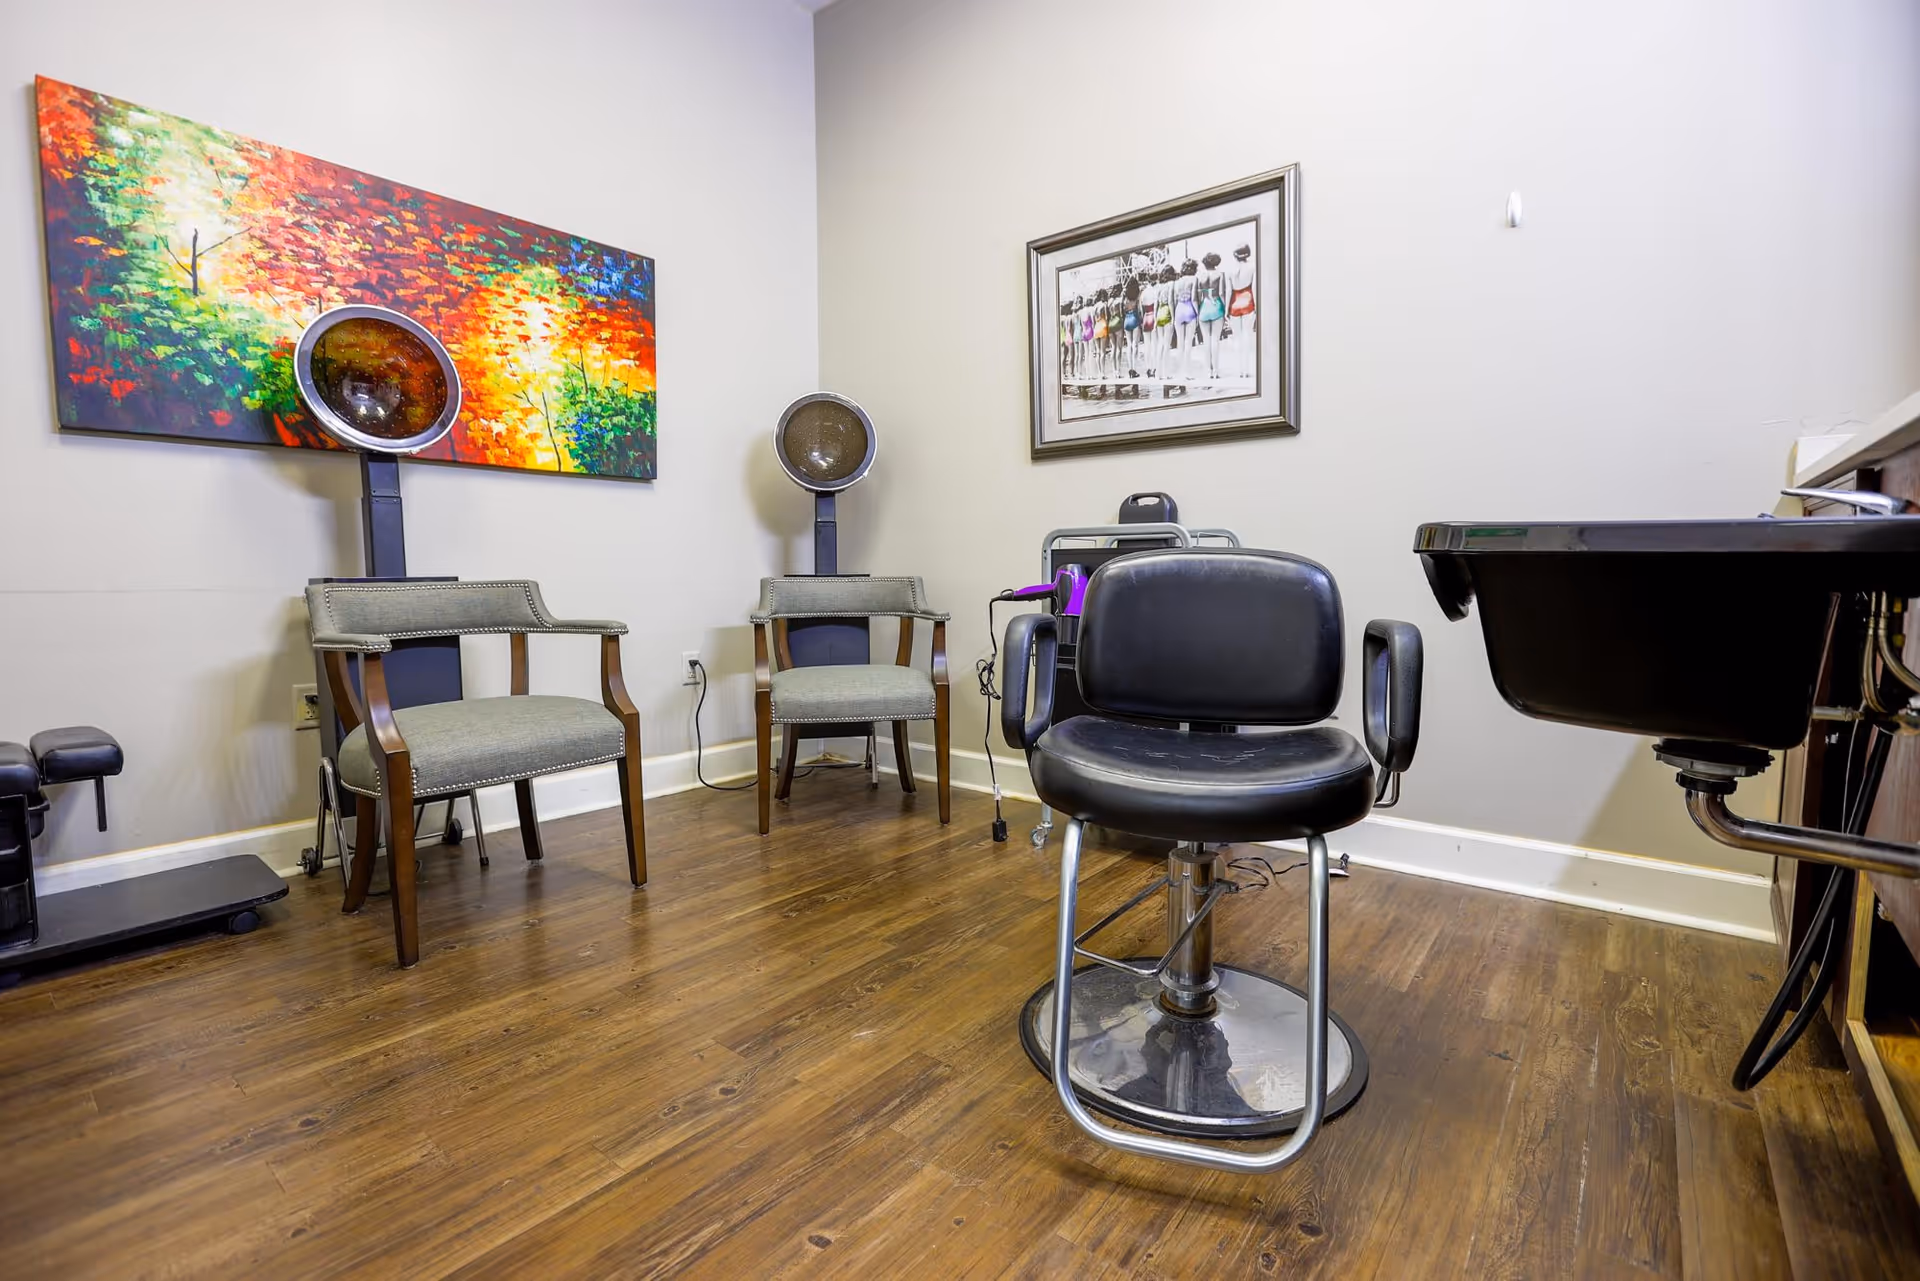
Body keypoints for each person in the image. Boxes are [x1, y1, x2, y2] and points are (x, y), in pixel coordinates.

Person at [1196, 251, 1228, 383]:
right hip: (1216, 306)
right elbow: (1221, 293)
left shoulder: (1199, 276)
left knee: (1206, 341)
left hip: (1204, 307)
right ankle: (1216, 371)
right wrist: (1226, 309)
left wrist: (1198, 311)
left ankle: (1208, 371)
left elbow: (1198, 296)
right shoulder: (1220, 274)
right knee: (1215, 340)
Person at [1226, 244, 1256, 381]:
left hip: (1234, 304)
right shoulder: (1253, 267)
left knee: (1237, 338)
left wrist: (1226, 309)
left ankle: (1239, 370)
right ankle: (1246, 370)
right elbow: (1254, 288)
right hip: (1248, 302)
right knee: (1247, 336)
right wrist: (1257, 306)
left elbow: (1228, 291)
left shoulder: (1230, 270)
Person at [1170, 259, 1199, 389]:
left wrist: (1174, 316)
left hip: (1179, 310)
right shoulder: (1194, 279)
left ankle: (1179, 372)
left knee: (1179, 344)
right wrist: (1198, 314)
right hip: (1189, 309)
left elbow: (1174, 300)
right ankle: (1188, 372)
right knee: (1188, 343)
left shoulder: (1176, 282)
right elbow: (1194, 299)